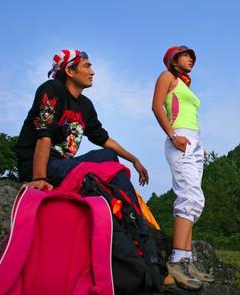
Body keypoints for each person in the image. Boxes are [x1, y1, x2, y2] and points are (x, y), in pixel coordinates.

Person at [14, 49, 148, 191]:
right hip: (40, 167)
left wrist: (134, 160)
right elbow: (44, 134)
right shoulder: (52, 89)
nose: (92, 72)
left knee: (109, 156)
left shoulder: (86, 105)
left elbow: (104, 139)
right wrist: (39, 178)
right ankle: (130, 211)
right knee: (106, 161)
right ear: (70, 71)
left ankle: (127, 209)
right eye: (86, 66)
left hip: (63, 165)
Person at [152, 45, 213, 291]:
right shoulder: (167, 76)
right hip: (180, 141)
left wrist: (199, 146)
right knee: (188, 196)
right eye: (186, 55)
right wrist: (173, 135)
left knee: (195, 200)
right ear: (174, 60)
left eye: (192, 57)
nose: (191, 59)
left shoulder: (185, 85)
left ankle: (186, 261)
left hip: (194, 144)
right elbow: (157, 107)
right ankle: (177, 262)